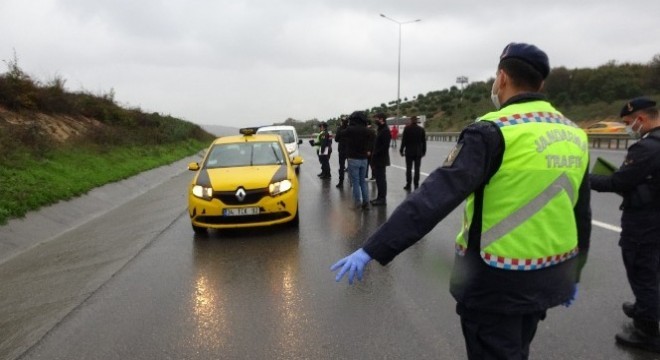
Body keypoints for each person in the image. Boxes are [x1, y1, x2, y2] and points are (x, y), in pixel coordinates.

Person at [331, 42, 592, 359]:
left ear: (502, 77)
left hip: (495, 283)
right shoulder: (574, 134)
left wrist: (373, 247)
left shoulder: (493, 131)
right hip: (548, 276)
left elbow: (433, 199)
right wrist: (572, 273)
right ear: (541, 83)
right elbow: (580, 212)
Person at [590, 97, 660, 353]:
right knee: (653, 270)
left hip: (645, 222)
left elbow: (618, 182)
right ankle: (644, 309)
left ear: (641, 119)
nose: (629, 128)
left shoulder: (647, 148)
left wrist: (584, 178)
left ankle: (649, 332)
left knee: (642, 273)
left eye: (629, 123)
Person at [343, 111, 375, 210]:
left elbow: (339, 135)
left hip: (353, 159)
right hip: (364, 159)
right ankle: (366, 203)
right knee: (363, 182)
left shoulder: (349, 130)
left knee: (355, 182)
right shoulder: (368, 131)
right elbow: (373, 138)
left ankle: (357, 203)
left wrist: (345, 124)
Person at [399, 115, 426, 190]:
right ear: (416, 121)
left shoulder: (407, 129)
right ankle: (416, 184)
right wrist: (424, 151)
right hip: (418, 152)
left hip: (409, 152)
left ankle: (408, 184)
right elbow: (423, 142)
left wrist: (401, 150)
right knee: (417, 169)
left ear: (411, 120)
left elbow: (404, 141)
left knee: (408, 169)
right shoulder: (421, 129)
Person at [370, 113, 391, 206]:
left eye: (376, 119)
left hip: (381, 159)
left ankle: (382, 199)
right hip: (378, 158)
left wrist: (375, 153)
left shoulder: (385, 130)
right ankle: (379, 197)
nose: (375, 120)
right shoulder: (381, 129)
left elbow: (385, 146)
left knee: (381, 179)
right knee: (379, 179)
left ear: (382, 119)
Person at [334, 116, 349, 188]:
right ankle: (351, 182)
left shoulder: (340, 129)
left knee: (341, 167)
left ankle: (341, 182)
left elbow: (336, 139)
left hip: (342, 149)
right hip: (350, 150)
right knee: (351, 167)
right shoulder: (350, 128)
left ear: (342, 122)